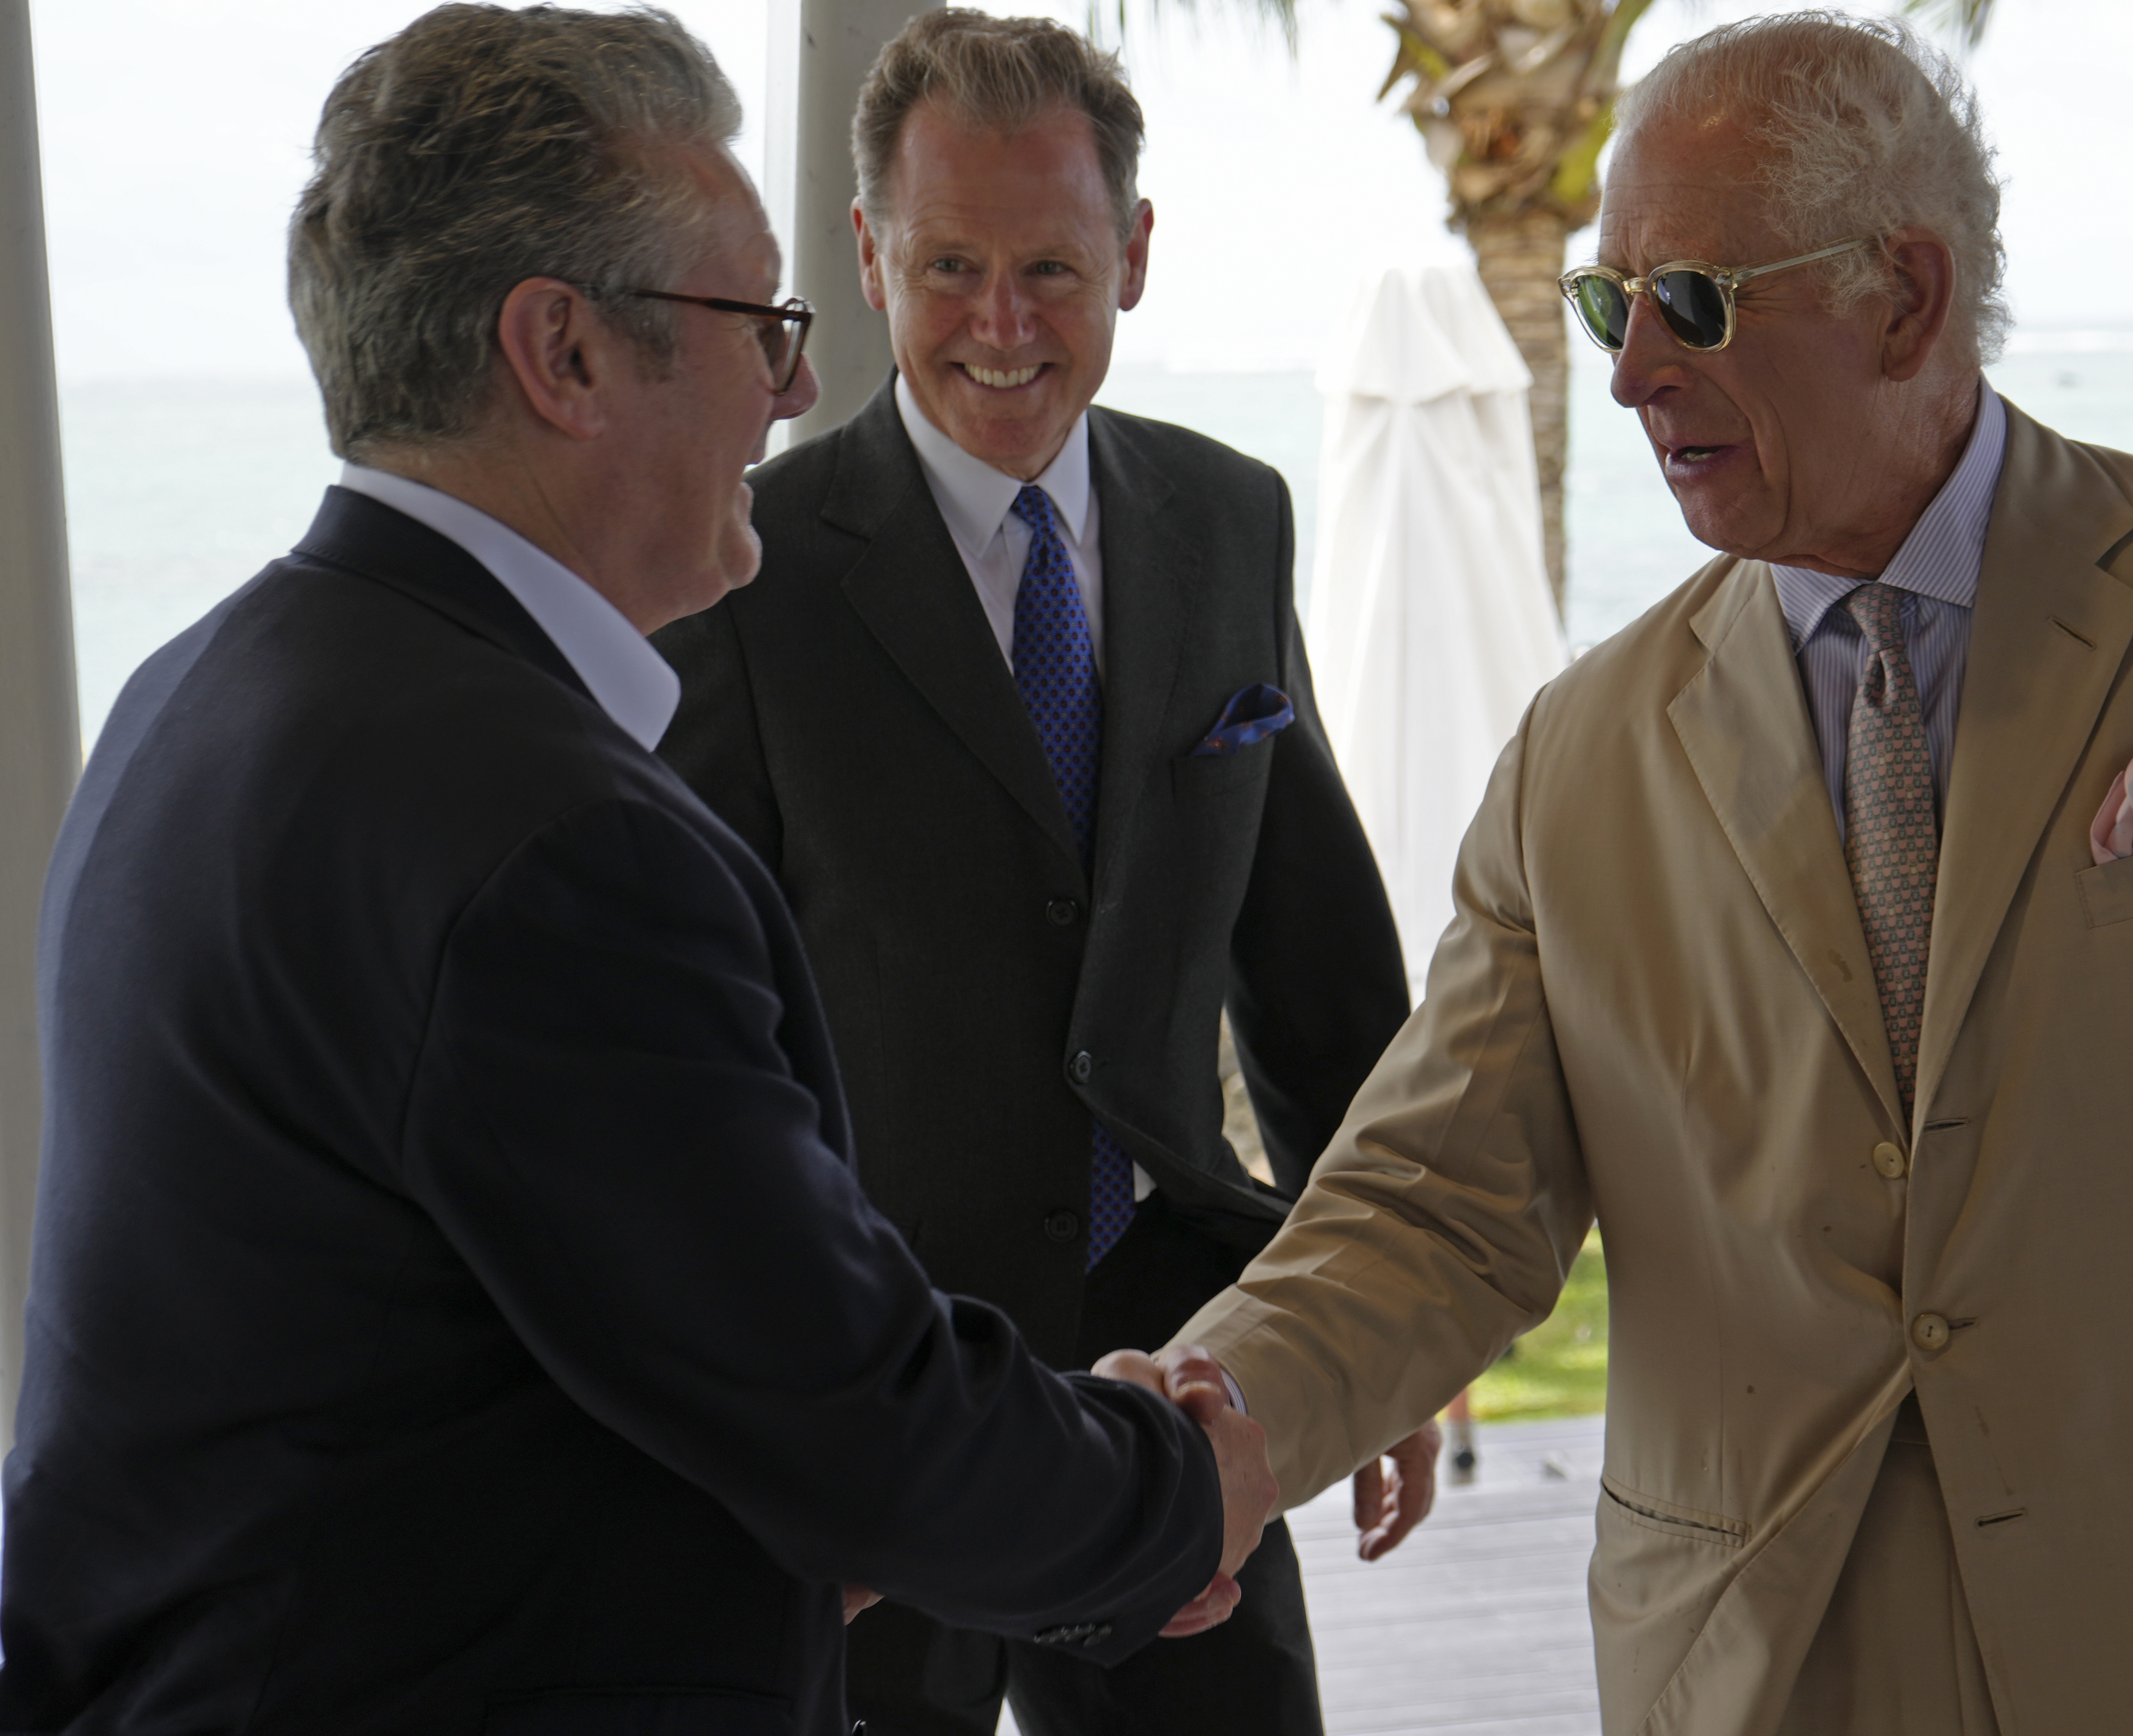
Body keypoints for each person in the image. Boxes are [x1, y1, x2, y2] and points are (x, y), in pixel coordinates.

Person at [1160, 14, 2133, 1735]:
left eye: (1691, 299)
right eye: (1611, 307)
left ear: (1905, 296)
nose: (1629, 375)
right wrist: (1205, 1421)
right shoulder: (1579, 759)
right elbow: (1431, 1206)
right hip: (1762, 1669)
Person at [0, 8, 1275, 1732]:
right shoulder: (544, 835)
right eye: (760, 322)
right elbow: (846, 1414)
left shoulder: (200, 691)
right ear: (564, 354)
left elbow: (473, 1392)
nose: (803, 385)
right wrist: (1177, 1486)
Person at [653, 16, 1432, 1733]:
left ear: (1134, 255)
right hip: (868, 1392)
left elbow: (1317, 974)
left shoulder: (1233, 519)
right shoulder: (746, 574)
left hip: (1178, 1375)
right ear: (867, 257)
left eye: (1053, 268)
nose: (1001, 326)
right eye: (950, 266)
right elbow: (678, 1041)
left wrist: (1392, 1336)